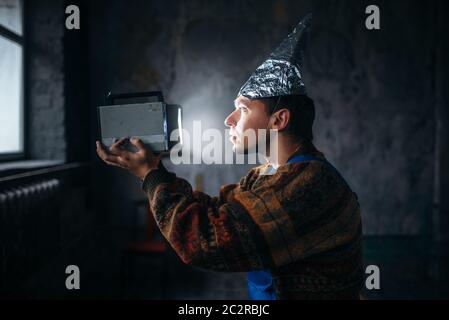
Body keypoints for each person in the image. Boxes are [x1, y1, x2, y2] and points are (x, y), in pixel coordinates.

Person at [96, 14, 363, 299]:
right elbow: (217, 212)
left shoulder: (311, 184)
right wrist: (154, 167)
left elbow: (202, 241)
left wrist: (150, 174)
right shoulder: (266, 176)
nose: (229, 119)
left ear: (278, 120)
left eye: (244, 109)